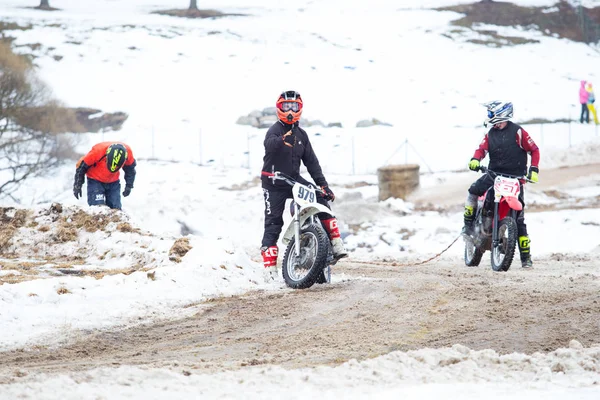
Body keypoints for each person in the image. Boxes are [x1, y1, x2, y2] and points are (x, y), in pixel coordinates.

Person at [260, 90, 347, 270]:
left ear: (300, 108)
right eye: (286, 106)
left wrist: (324, 186)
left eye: (294, 106)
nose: (290, 110)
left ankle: (336, 242)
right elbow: (269, 145)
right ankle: (269, 269)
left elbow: (312, 163)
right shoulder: (274, 130)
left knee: (321, 198)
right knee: (273, 223)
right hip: (274, 182)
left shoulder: (302, 135)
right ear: (279, 108)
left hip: (293, 180)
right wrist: (282, 140)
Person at [462, 101, 540, 268]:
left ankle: (526, 258)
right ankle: (468, 226)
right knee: (473, 191)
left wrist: (533, 169)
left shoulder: (518, 132)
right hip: (493, 175)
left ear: (501, 114)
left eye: (491, 114)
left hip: (516, 179)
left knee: (519, 219)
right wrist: (476, 159)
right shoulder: (491, 133)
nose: (490, 118)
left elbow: (534, 149)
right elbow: (481, 149)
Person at [73, 142, 137, 210]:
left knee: (116, 209)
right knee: (97, 209)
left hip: (113, 181)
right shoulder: (97, 152)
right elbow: (81, 167)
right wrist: (77, 185)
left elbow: (130, 170)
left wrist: (129, 186)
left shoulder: (128, 154)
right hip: (95, 179)